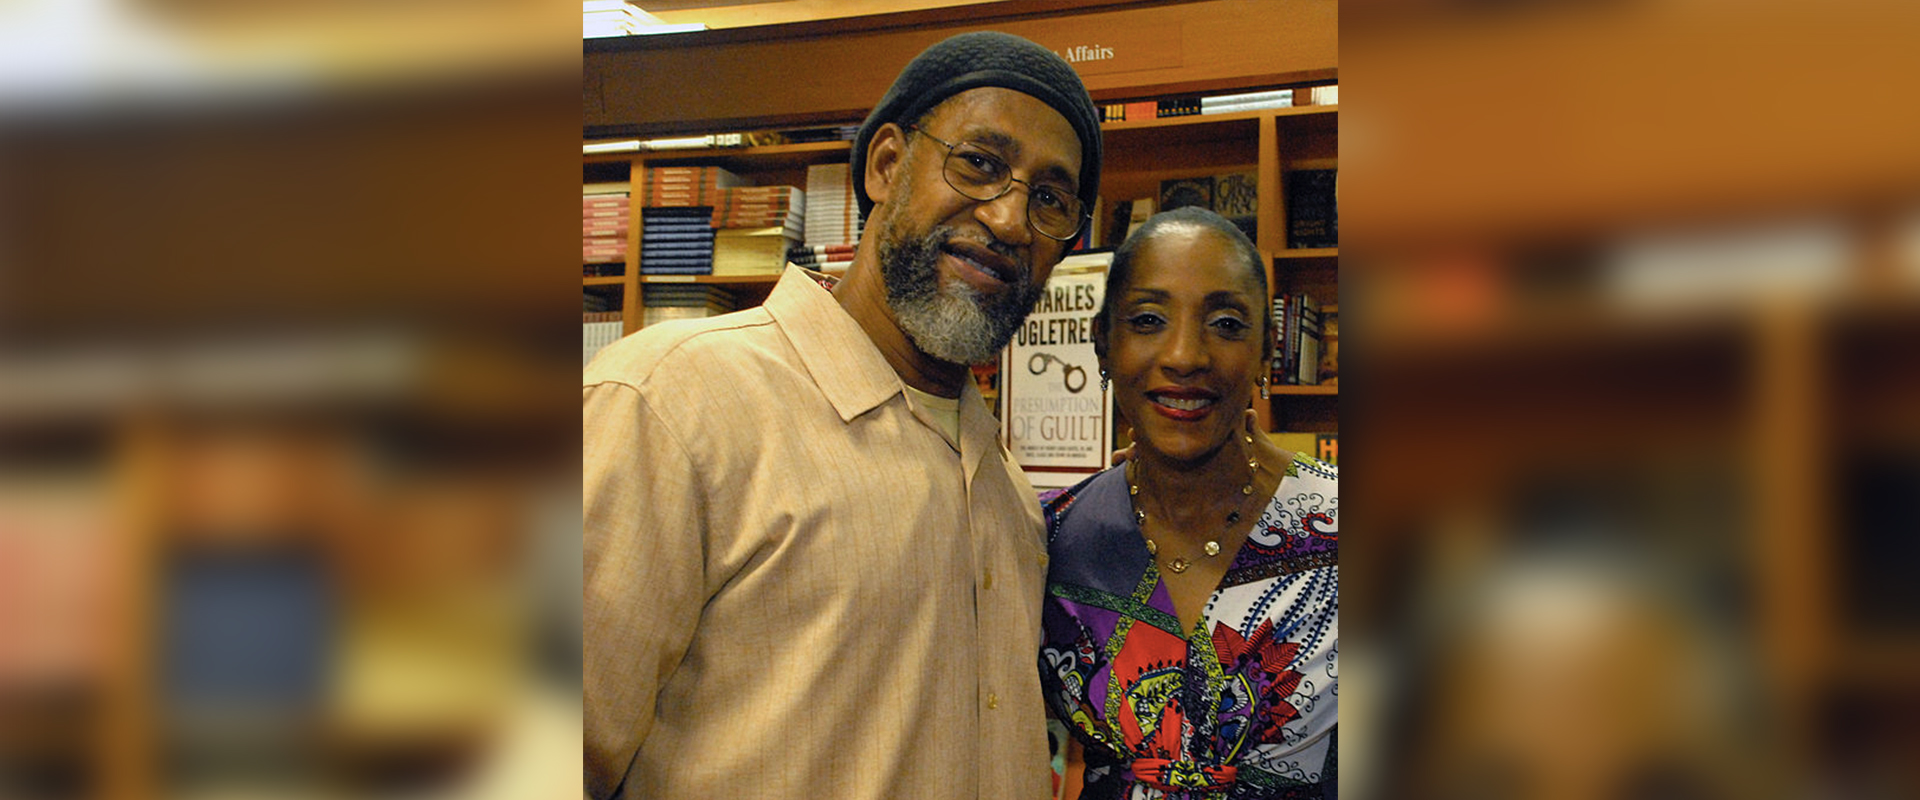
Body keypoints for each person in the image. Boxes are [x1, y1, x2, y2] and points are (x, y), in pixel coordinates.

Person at [583, 31, 1103, 800]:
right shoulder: (672, 404)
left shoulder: (1006, 491)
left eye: (1051, 199)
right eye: (981, 165)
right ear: (887, 165)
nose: (1011, 221)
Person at [1039, 207, 1338, 799]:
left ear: (1266, 350)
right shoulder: (1049, 539)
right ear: (1103, 343)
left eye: (1226, 324)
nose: (1184, 356)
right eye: (1148, 319)